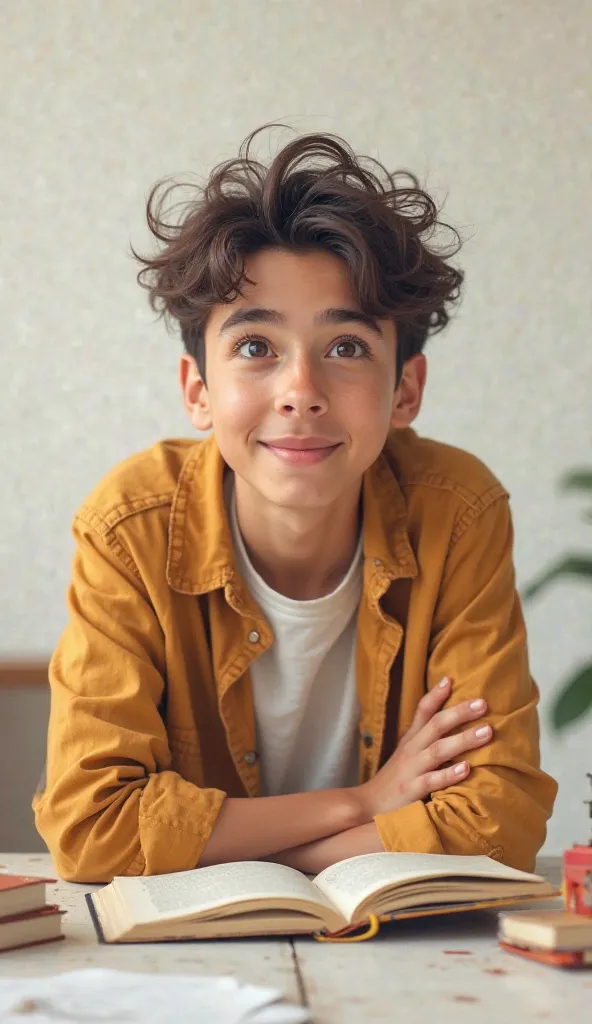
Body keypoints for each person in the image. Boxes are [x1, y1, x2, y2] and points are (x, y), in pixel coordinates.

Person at [33, 127, 557, 883]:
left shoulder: (457, 511)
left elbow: (498, 822)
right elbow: (93, 830)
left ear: (405, 389)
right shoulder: (130, 526)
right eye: (255, 348)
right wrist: (363, 802)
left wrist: (271, 857)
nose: (301, 392)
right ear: (198, 390)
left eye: (346, 347)